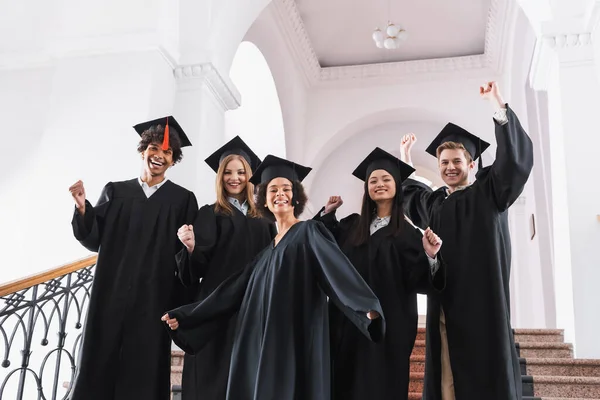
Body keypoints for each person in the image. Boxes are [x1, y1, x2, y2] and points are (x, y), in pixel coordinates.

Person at [162, 154, 384, 400]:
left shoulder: (309, 231)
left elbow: (337, 270)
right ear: (264, 201)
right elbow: (231, 291)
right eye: (273, 190)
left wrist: (365, 307)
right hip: (264, 337)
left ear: (295, 197)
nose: (280, 194)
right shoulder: (267, 252)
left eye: (286, 189)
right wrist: (188, 316)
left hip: (294, 335)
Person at [400, 82, 534, 400]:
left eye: (457, 161)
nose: (449, 167)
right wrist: (404, 156)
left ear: (472, 165)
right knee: (447, 370)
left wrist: (497, 105)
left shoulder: (489, 192)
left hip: (484, 300)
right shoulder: (434, 204)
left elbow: (513, 164)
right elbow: (408, 196)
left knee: (486, 370)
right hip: (447, 299)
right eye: (444, 162)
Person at [68, 116, 198, 400]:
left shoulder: (183, 200)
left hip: (154, 299)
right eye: (154, 148)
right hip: (110, 294)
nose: (159, 155)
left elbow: (187, 258)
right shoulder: (116, 192)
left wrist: (190, 248)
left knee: (143, 368)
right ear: (143, 151)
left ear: (173, 160)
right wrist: (82, 209)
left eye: (167, 152)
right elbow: (93, 239)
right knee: (99, 361)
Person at [314, 147, 444, 400]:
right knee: (344, 380)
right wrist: (327, 214)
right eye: (373, 180)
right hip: (348, 321)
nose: (379, 184)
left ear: (397, 186)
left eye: (386, 179)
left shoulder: (409, 234)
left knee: (381, 385)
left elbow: (419, 281)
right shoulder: (351, 226)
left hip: (389, 325)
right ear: (367, 189)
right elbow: (323, 249)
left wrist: (429, 255)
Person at [175, 136, 276, 400]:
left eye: (241, 172)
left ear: (250, 176)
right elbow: (195, 270)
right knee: (212, 376)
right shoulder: (209, 213)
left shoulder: (264, 219)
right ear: (220, 177)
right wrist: (190, 248)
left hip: (253, 306)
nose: (235, 178)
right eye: (228, 172)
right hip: (215, 306)